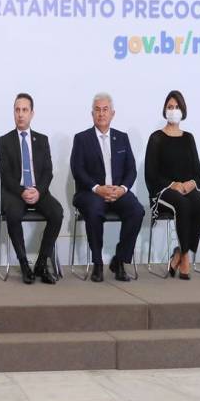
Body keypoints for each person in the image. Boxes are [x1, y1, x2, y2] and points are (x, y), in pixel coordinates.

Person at [70, 93, 144, 282]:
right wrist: (97, 188)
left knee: (137, 211)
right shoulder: (82, 139)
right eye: (97, 110)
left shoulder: (122, 138)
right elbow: (77, 169)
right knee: (94, 209)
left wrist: (122, 189)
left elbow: (131, 169)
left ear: (112, 113)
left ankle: (119, 260)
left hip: (118, 192)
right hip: (90, 192)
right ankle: (97, 263)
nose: (101, 114)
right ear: (92, 114)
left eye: (105, 110)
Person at [143, 90, 200, 279]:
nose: (173, 110)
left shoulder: (188, 138)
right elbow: (151, 175)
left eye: (177, 107)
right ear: (165, 110)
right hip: (163, 192)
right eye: (170, 107)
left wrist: (191, 183)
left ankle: (179, 253)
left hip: (186, 189)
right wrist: (173, 184)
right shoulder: (156, 138)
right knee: (183, 205)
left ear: (183, 111)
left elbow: (199, 175)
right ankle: (186, 257)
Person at [0, 93, 63, 284]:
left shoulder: (42, 140)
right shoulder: (5, 141)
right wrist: (22, 191)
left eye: (24, 110)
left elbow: (48, 172)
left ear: (32, 113)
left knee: (57, 213)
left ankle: (41, 264)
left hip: (38, 191)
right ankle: (24, 264)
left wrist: (38, 191)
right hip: (15, 192)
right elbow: (5, 175)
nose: (20, 114)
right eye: (17, 110)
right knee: (13, 214)